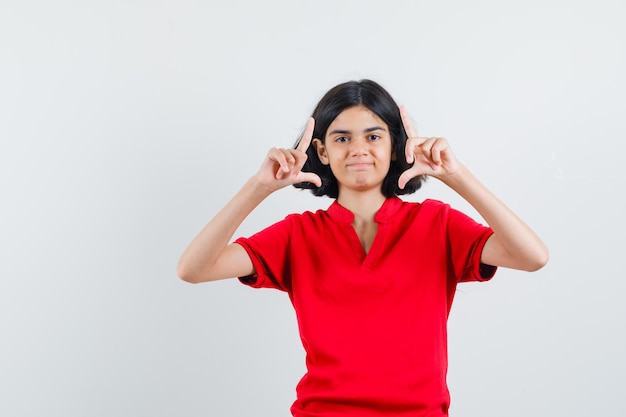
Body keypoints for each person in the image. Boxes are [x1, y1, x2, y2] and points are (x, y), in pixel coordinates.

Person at [177, 79, 549, 417]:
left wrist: (456, 175)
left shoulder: (438, 223)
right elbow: (193, 269)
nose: (358, 149)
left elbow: (532, 256)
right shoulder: (297, 234)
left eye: (373, 137)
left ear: (395, 146)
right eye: (342, 138)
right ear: (321, 152)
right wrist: (258, 187)